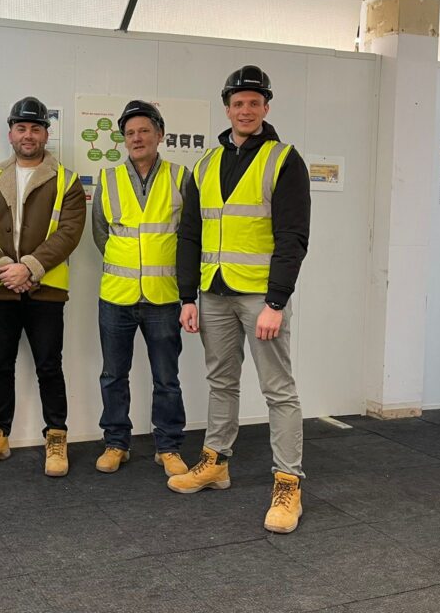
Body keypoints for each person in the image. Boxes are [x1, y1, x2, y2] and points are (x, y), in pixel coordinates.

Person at [172, 65, 311, 535]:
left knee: (279, 390)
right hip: (212, 293)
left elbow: (293, 236)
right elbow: (190, 234)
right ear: (227, 109)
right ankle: (216, 462)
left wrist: (277, 301)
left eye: (254, 103)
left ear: (266, 108)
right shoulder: (206, 164)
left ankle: (288, 482)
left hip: (260, 297)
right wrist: (186, 296)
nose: (245, 110)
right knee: (221, 381)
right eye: (238, 103)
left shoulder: (283, 159)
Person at [0, 97, 86, 476]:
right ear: (10, 134)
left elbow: (70, 231)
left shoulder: (66, 180)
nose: (28, 135)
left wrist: (30, 269)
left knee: (49, 366)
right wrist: (5, 269)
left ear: (46, 134)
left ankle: (56, 437)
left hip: (46, 291)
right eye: (21, 128)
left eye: (35, 128)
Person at [92, 100, 190, 478]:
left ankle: (168, 447)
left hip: (164, 297)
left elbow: (187, 236)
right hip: (116, 295)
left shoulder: (181, 177)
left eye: (144, 130)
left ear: (160, 135)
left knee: (167, 377)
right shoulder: (108, 178)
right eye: (130, 132)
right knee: (113, 375)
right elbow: (100, 233)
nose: (137, 138)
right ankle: (116, 443)